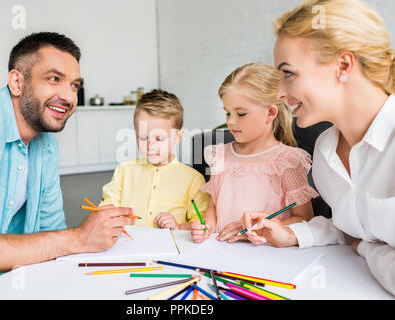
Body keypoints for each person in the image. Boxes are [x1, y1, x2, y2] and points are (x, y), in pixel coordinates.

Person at [0, 32, 135, 299]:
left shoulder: (45, 145)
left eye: (74, 86)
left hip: (10, 285)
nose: (68, 97)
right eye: (54, 79)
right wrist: (78, 238)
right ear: (16, 82)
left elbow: (50, 233)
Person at [227, 0, 395, 295]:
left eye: (288, 73)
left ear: (343, 65)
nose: (279, 92)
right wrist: (289, 233)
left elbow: (367, 241)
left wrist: (369, 249)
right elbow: (354, 228)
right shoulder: (326, 150)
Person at [191, 62, 318, 244]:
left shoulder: (287, 161)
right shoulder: (220, 155)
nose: (231, 122)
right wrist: (207, 225)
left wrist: (260, 229)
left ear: (270, 113)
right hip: (221, 250)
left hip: (266, 255)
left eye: (241, 114)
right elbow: (213, 203)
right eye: (228, 113)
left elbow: (304, 219)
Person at [99, 89, 210, 230]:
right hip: (128, 245)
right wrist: (110, 214)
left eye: (159, 138)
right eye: (143, 137)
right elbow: (108, 205)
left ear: (178, 137)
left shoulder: (193, 179)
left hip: (170, 248)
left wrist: (178, 226)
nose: (151, 146)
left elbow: (200, 223)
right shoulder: (124, 170)